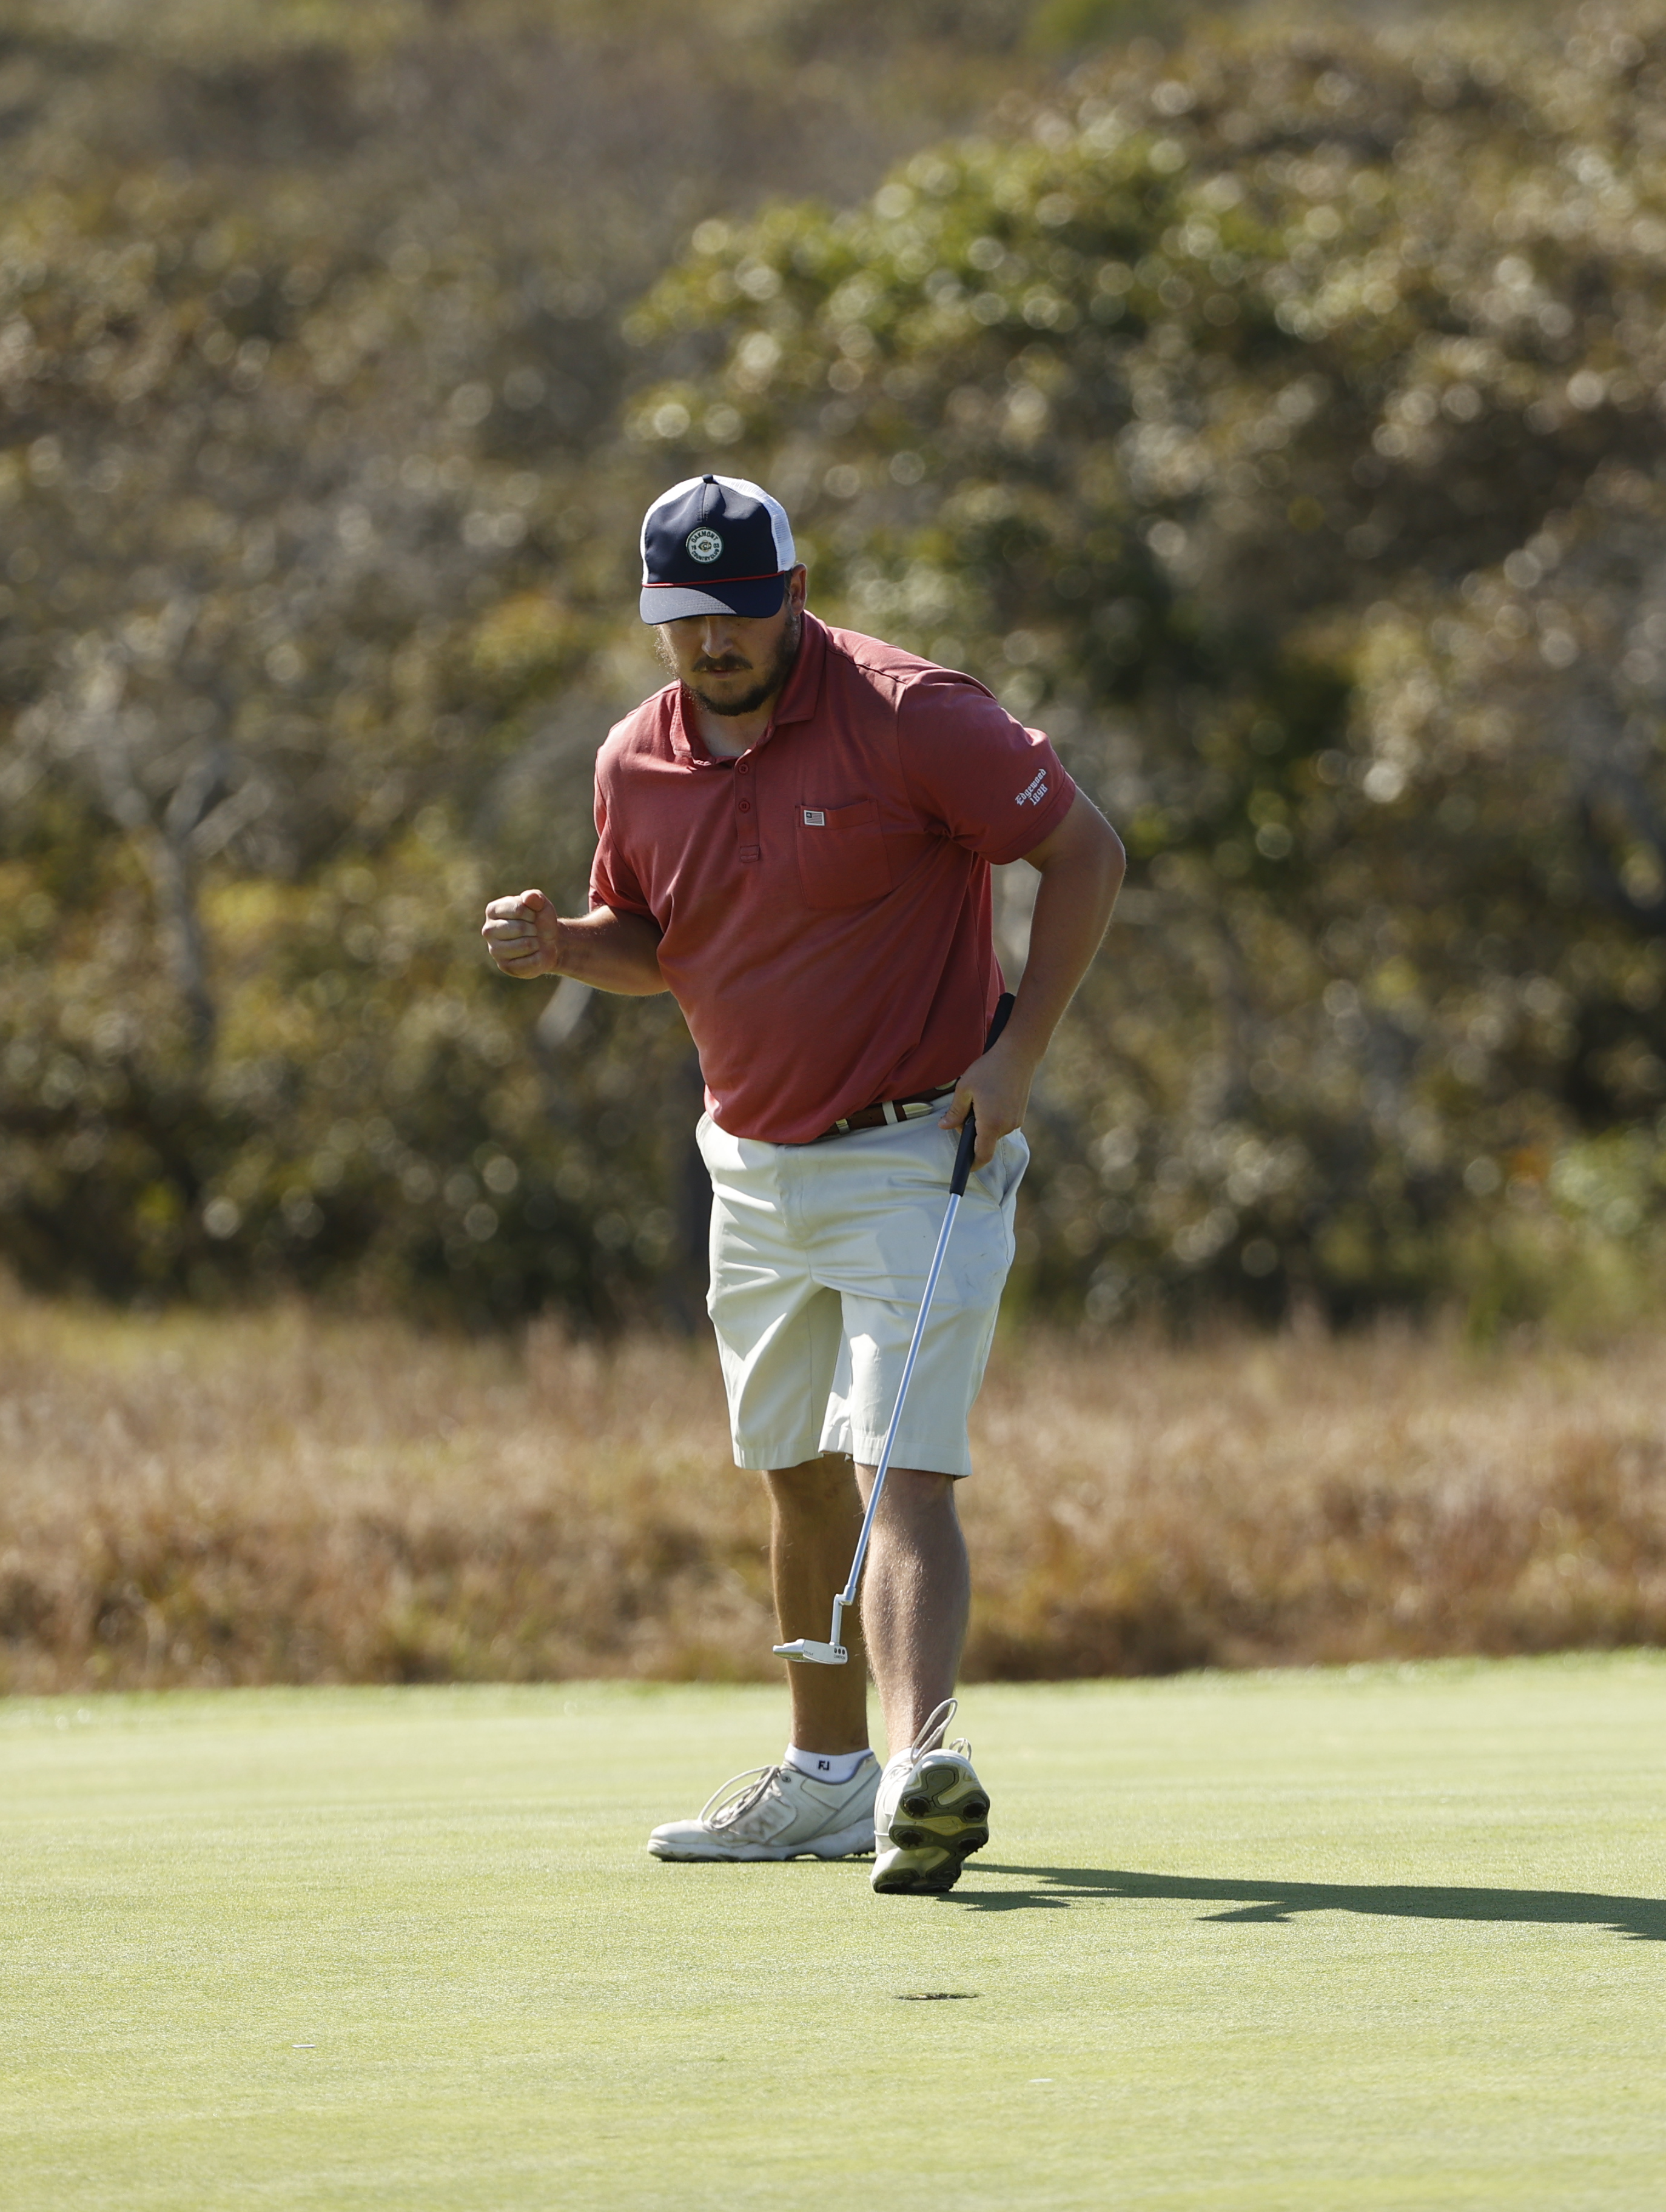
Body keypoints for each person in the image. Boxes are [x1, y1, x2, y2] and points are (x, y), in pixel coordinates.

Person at [480, 473, 1124, 1895]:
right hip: (751, 1166)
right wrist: (563, 945)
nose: (713, 643)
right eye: (684, 619)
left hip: (920, 1151)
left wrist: (1018, 1058)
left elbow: (1085, 853)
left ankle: (917, 1768)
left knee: (907, 1471)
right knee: (796, 1475)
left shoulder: (913, 717)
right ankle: (827, 1780)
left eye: (740, 612)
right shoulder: (633, 761)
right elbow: (667, 940)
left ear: (795, 590)